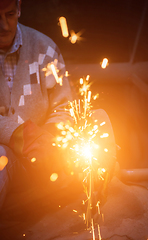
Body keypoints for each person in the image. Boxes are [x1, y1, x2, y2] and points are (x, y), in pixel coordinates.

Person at [0, 0, 74, 218]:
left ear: (19, 8)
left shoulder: (44, 49)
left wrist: (49, 139)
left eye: (10, 14)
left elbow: (65, 107)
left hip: (42, 159)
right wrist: (21, 135)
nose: (3, 25)